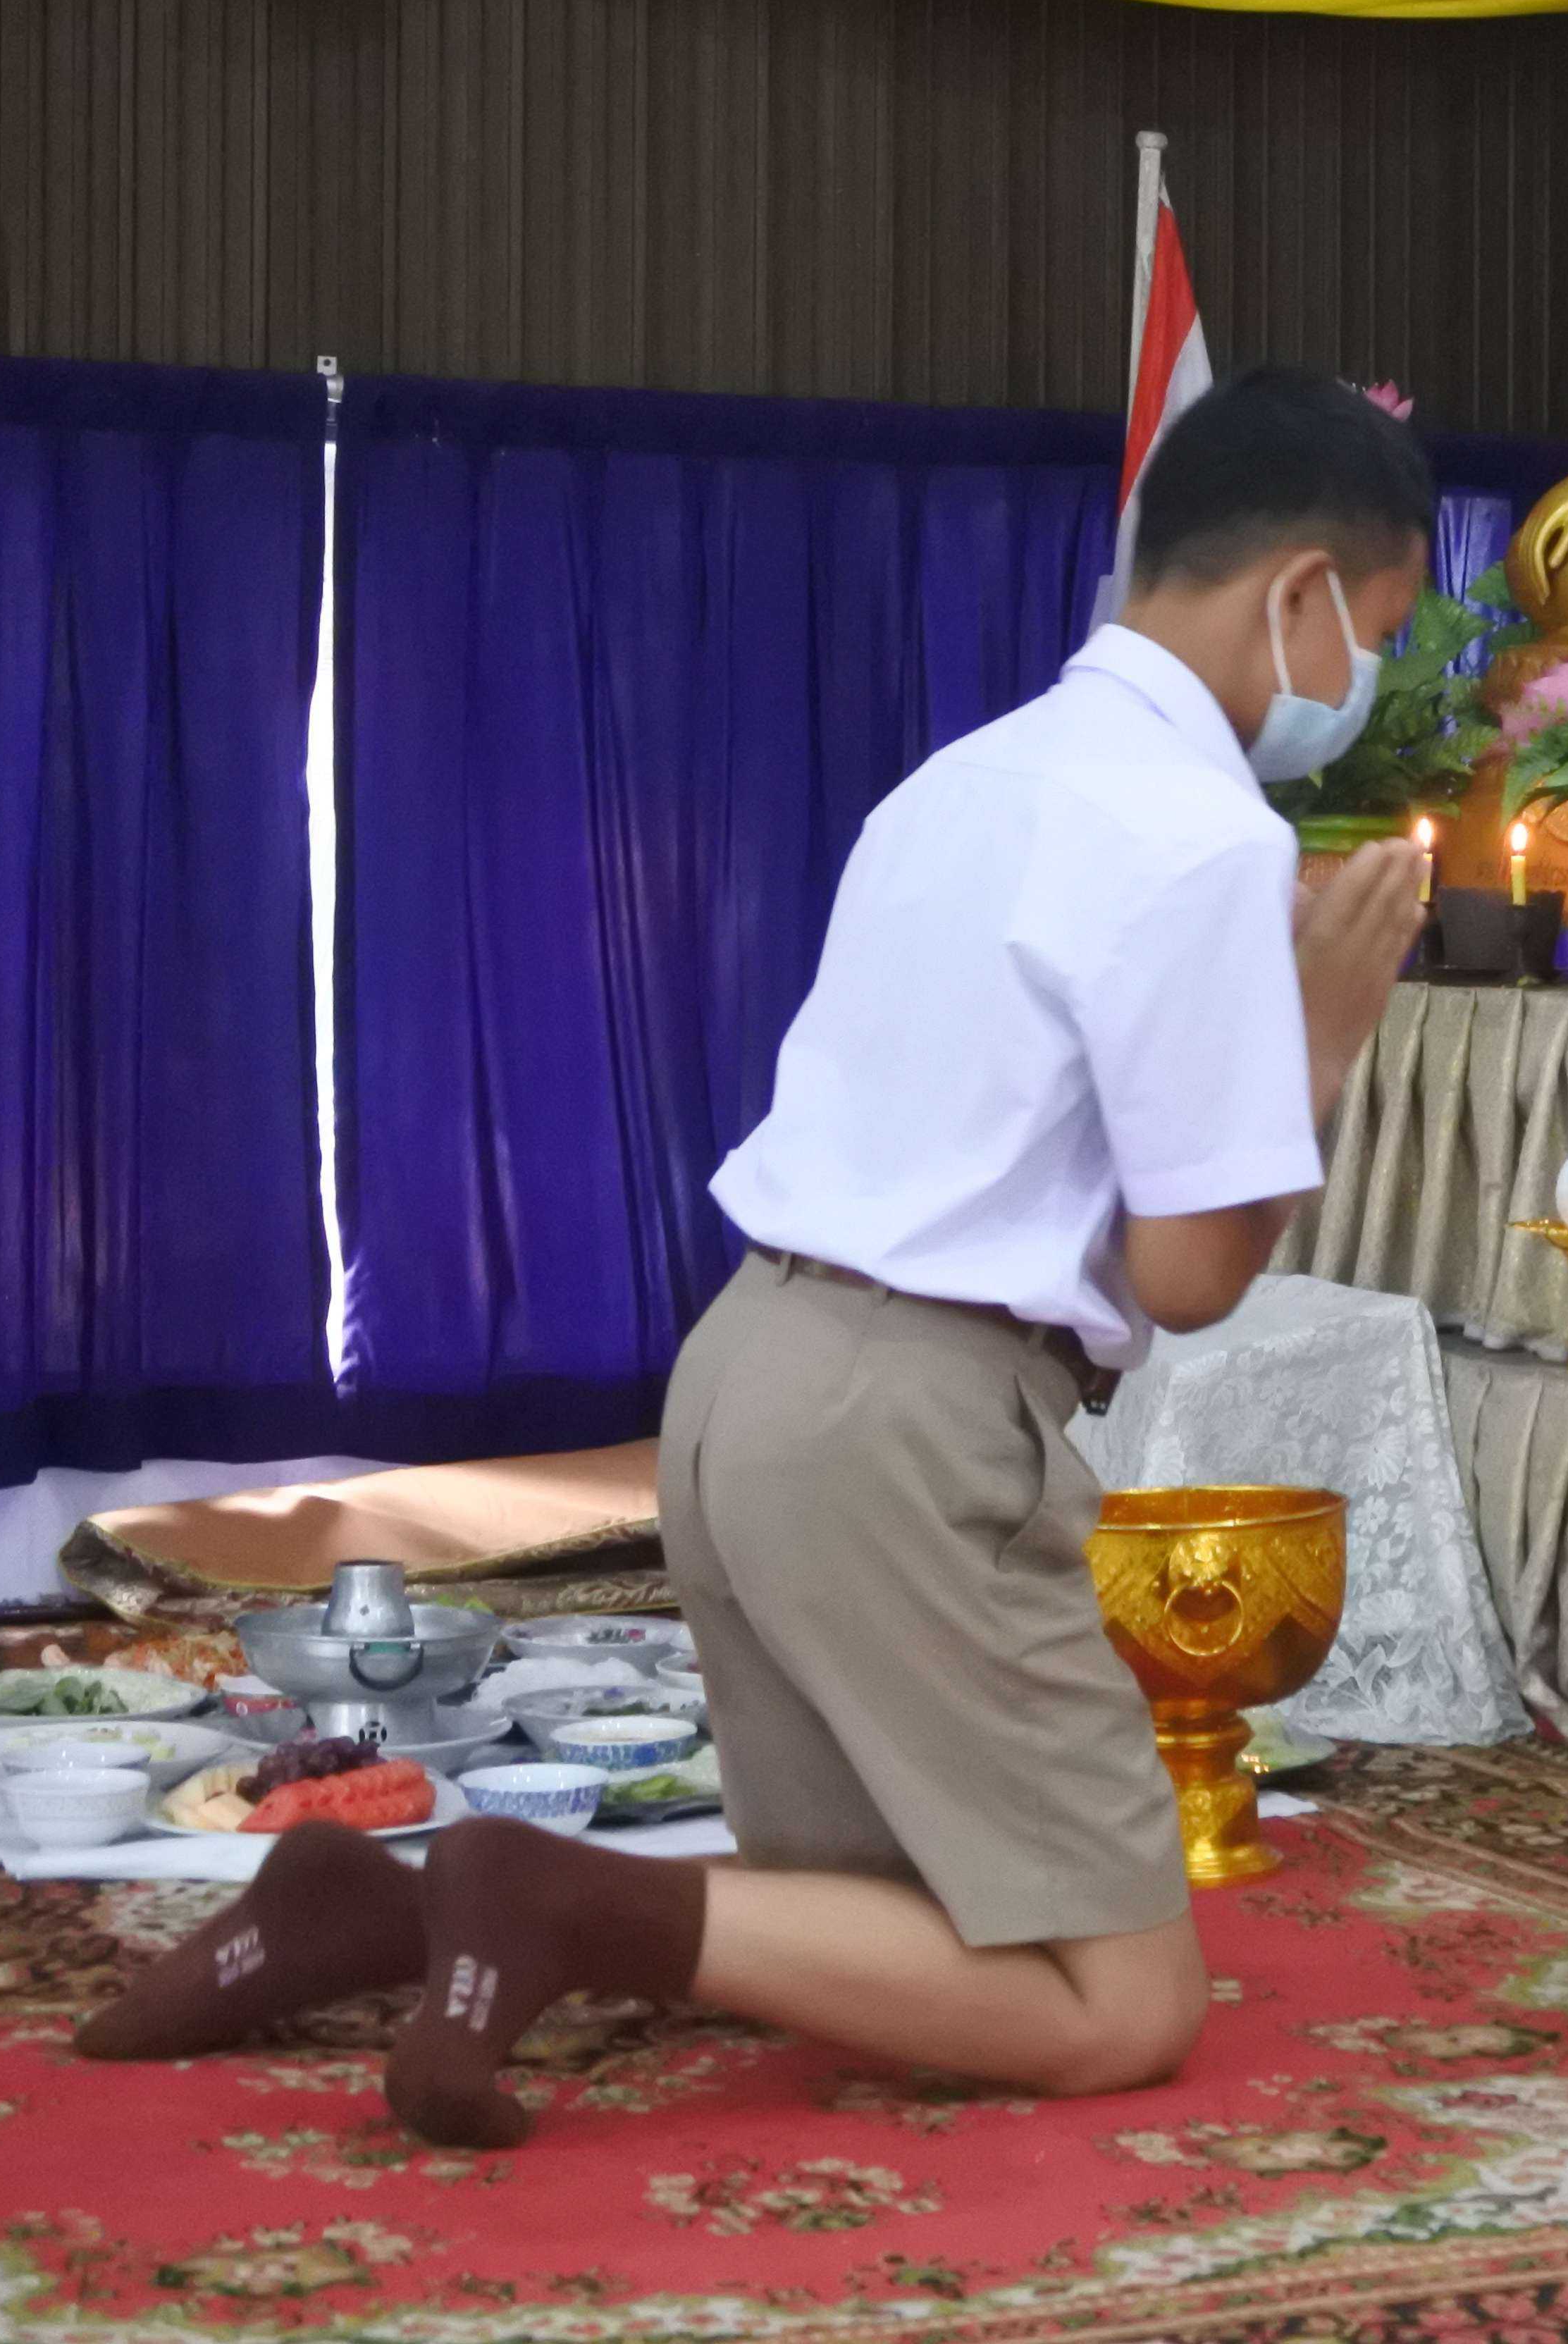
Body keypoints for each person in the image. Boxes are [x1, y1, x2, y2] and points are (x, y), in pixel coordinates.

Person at [74, 369, 1436, 2145]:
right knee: (1119, 2004)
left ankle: (373, 1912)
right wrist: (1318, 1047)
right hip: (911, 1428)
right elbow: (1187, 1279)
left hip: (748, 1374)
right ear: (1300, 593)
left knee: (902, 1924)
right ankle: (538, 1892)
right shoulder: (1202, 837)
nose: (1360, 677)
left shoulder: (963, 778)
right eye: (1376, 633)